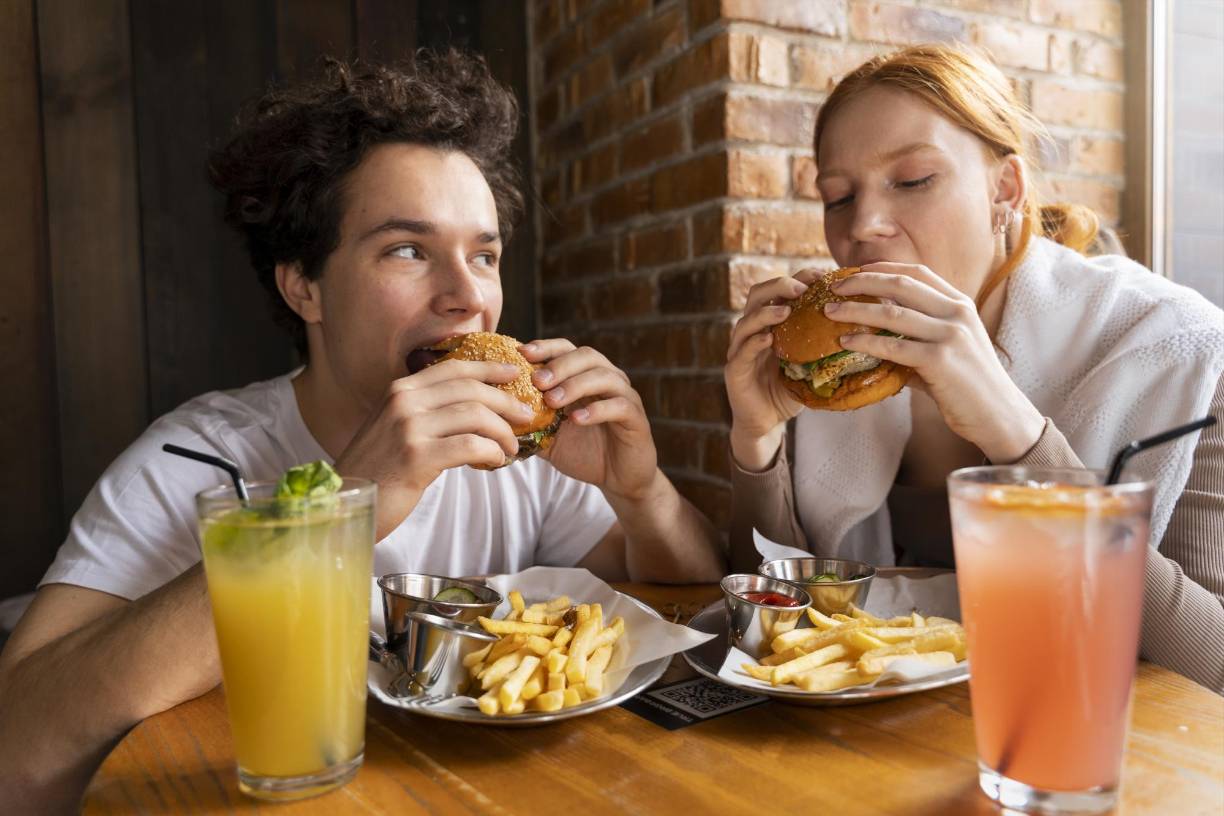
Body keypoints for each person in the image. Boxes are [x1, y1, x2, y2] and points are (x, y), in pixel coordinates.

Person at [0, 50, 724, 811]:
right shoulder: (195, 459)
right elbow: (18, 747)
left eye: (484, 255)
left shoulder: (517, 452)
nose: (468, 296)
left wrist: (637, 489)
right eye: (408, 250)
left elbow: (687, 592)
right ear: (304, 286)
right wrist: (345, 505)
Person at [724, 44, 1224, 692]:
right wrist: (755, 443)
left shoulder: (1183, 350)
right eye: (838, 197)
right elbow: (778, 629)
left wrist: (1019, 435)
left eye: (912, 181)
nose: (864, 226)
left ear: (1004, 190)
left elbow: (1212, 669)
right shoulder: (836, 371)